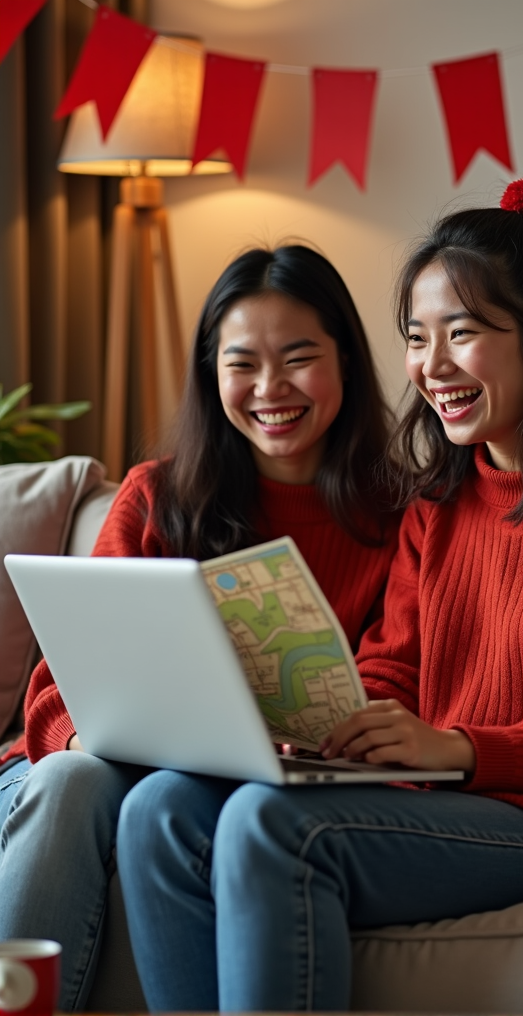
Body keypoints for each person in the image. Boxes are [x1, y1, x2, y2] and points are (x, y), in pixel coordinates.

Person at [116, 179, 523, 1013]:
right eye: (417, 338)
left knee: (272, 831)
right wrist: (330, 733)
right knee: (160, 809)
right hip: (442, 798)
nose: (431, 366)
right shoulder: (440, 505)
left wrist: (456, 746)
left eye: (464, 334)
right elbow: (393, 671)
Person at [0, 244, 400, 1011]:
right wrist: (107, 738)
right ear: (211, 374)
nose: (269, 388)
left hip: (250, 790)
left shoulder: (400, 519)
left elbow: (393, 682)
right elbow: (55, 694)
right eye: (241, 363)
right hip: (97, 771)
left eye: (298, 358)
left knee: (161, 802)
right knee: (76, 776)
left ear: (347, 361)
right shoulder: (160, 497)